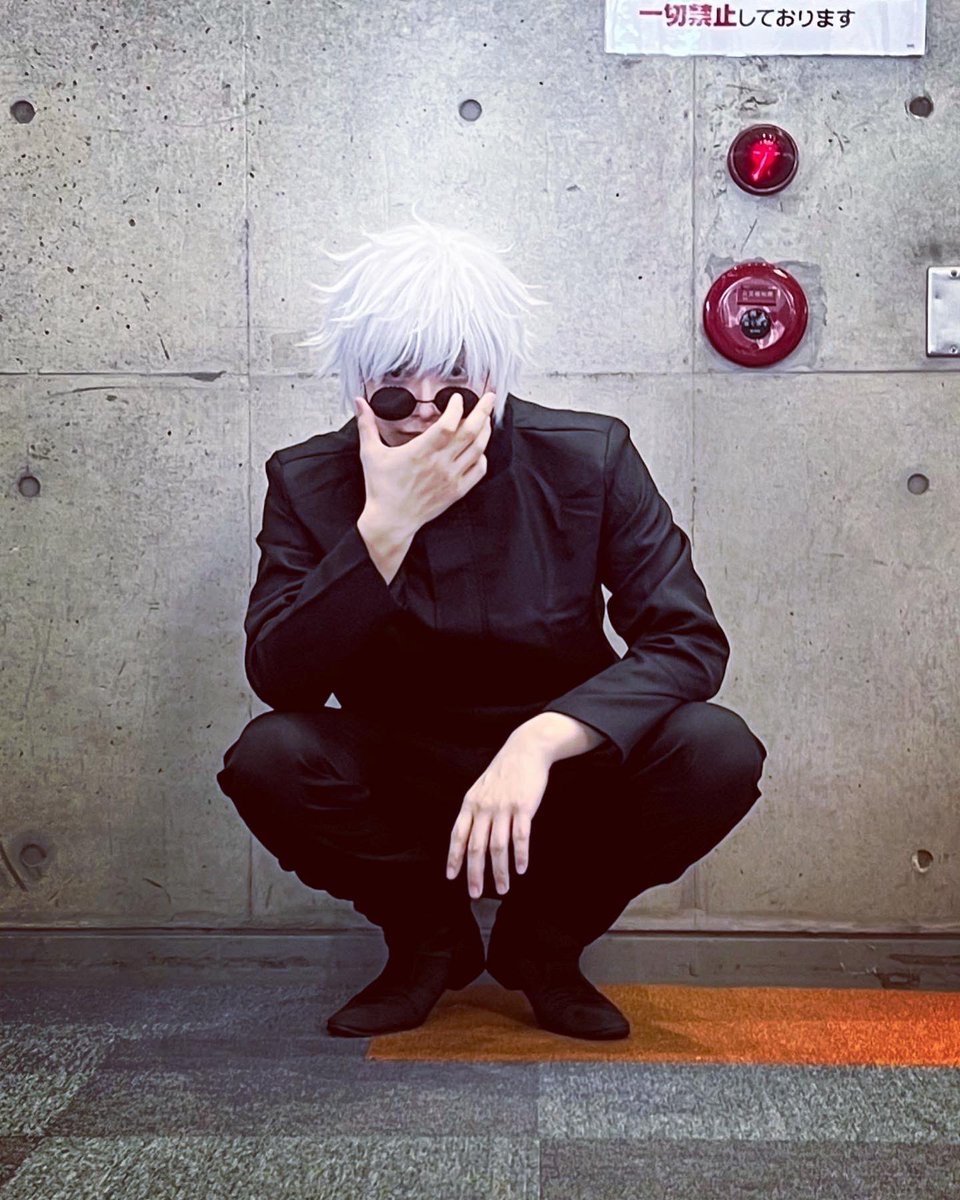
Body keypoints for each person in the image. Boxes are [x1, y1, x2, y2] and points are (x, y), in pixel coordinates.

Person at [216, 208, 768, 1042]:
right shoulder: (308, 480)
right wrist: (385, 528)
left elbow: (687, 641)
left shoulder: (588, 456)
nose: (426, 416)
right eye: (395, 392)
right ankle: (428, 943)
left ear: (494, 383)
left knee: (717, 749)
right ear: (359, 389)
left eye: (456, 390)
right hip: (402, 775)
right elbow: (280, 678)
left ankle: (543, 947)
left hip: (559, 771)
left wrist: (541, 740)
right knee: (269, 757)